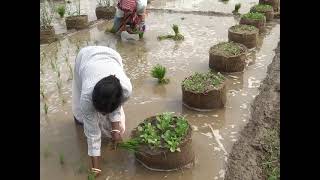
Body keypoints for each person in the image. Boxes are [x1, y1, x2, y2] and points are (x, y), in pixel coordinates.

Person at [72, 46, 132, 177]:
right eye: (101, 111)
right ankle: (78, 119)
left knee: (115, 123)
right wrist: (96, 168)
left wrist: (115, 131)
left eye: (105, 112)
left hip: (112, 57)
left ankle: (114, 132)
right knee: (81, 117)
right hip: (85, 58)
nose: (103, 115)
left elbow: (116, 106)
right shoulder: (86, 97)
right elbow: (93, 135)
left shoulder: (126, 89)